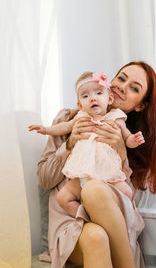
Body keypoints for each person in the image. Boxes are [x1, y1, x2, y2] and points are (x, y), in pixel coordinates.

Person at [37, 61, 156, 268]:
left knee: (95, 190)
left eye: (134, 88)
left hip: (113, 221)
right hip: (71, 222)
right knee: (95, 235)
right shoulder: (69, 119)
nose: (122, 87)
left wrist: (121, 152)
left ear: (140, 106)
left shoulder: (130, 137)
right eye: (121, 78)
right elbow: (44, 179)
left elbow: (127, 197)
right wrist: (69, 146)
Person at [29, 71, 145, 218]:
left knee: (127, 192)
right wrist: (46, 130)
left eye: (98, 93)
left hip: (107, 173)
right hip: (83, 172)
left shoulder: (115, 118)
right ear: (80, 104)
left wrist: (132, 141)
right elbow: (64, 127)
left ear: (109, 98)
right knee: (63, 197)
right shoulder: (80, 117)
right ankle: (85, 218)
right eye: (85, 96)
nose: (92, 98)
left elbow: (127, 137)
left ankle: (111, 218)